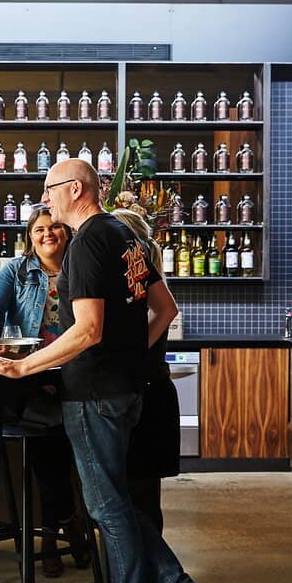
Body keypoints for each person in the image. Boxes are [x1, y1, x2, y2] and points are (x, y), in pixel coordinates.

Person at [0, 160, 213, 583]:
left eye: (49, 189)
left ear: (75, 189)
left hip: (92, 393)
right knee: (115, 501)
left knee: (106, 505)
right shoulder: (127, 236)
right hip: (126, 390)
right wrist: (132, 358)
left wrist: (22, 366)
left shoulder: (84, 244)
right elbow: (165, 309)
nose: (45, 199)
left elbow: (87, 330)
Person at [0, 207, 89, 577]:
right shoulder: (15, 272)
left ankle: (61, 530)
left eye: (55, 227)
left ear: (67, 232)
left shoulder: (82, 267)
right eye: (39, 229)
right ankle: (62, 529)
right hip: (33, 375)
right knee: (47, 447)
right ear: (29, 237)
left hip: (78, 374)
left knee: (62, 451)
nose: (48, 234)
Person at [111, 208, 181, 534]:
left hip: (145, 399)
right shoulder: (145, 283)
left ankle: (146, 564)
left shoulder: (137, 285)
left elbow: (166, 313)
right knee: (144, 499)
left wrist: (131, 353)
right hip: (154, 396)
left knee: (139, 502)